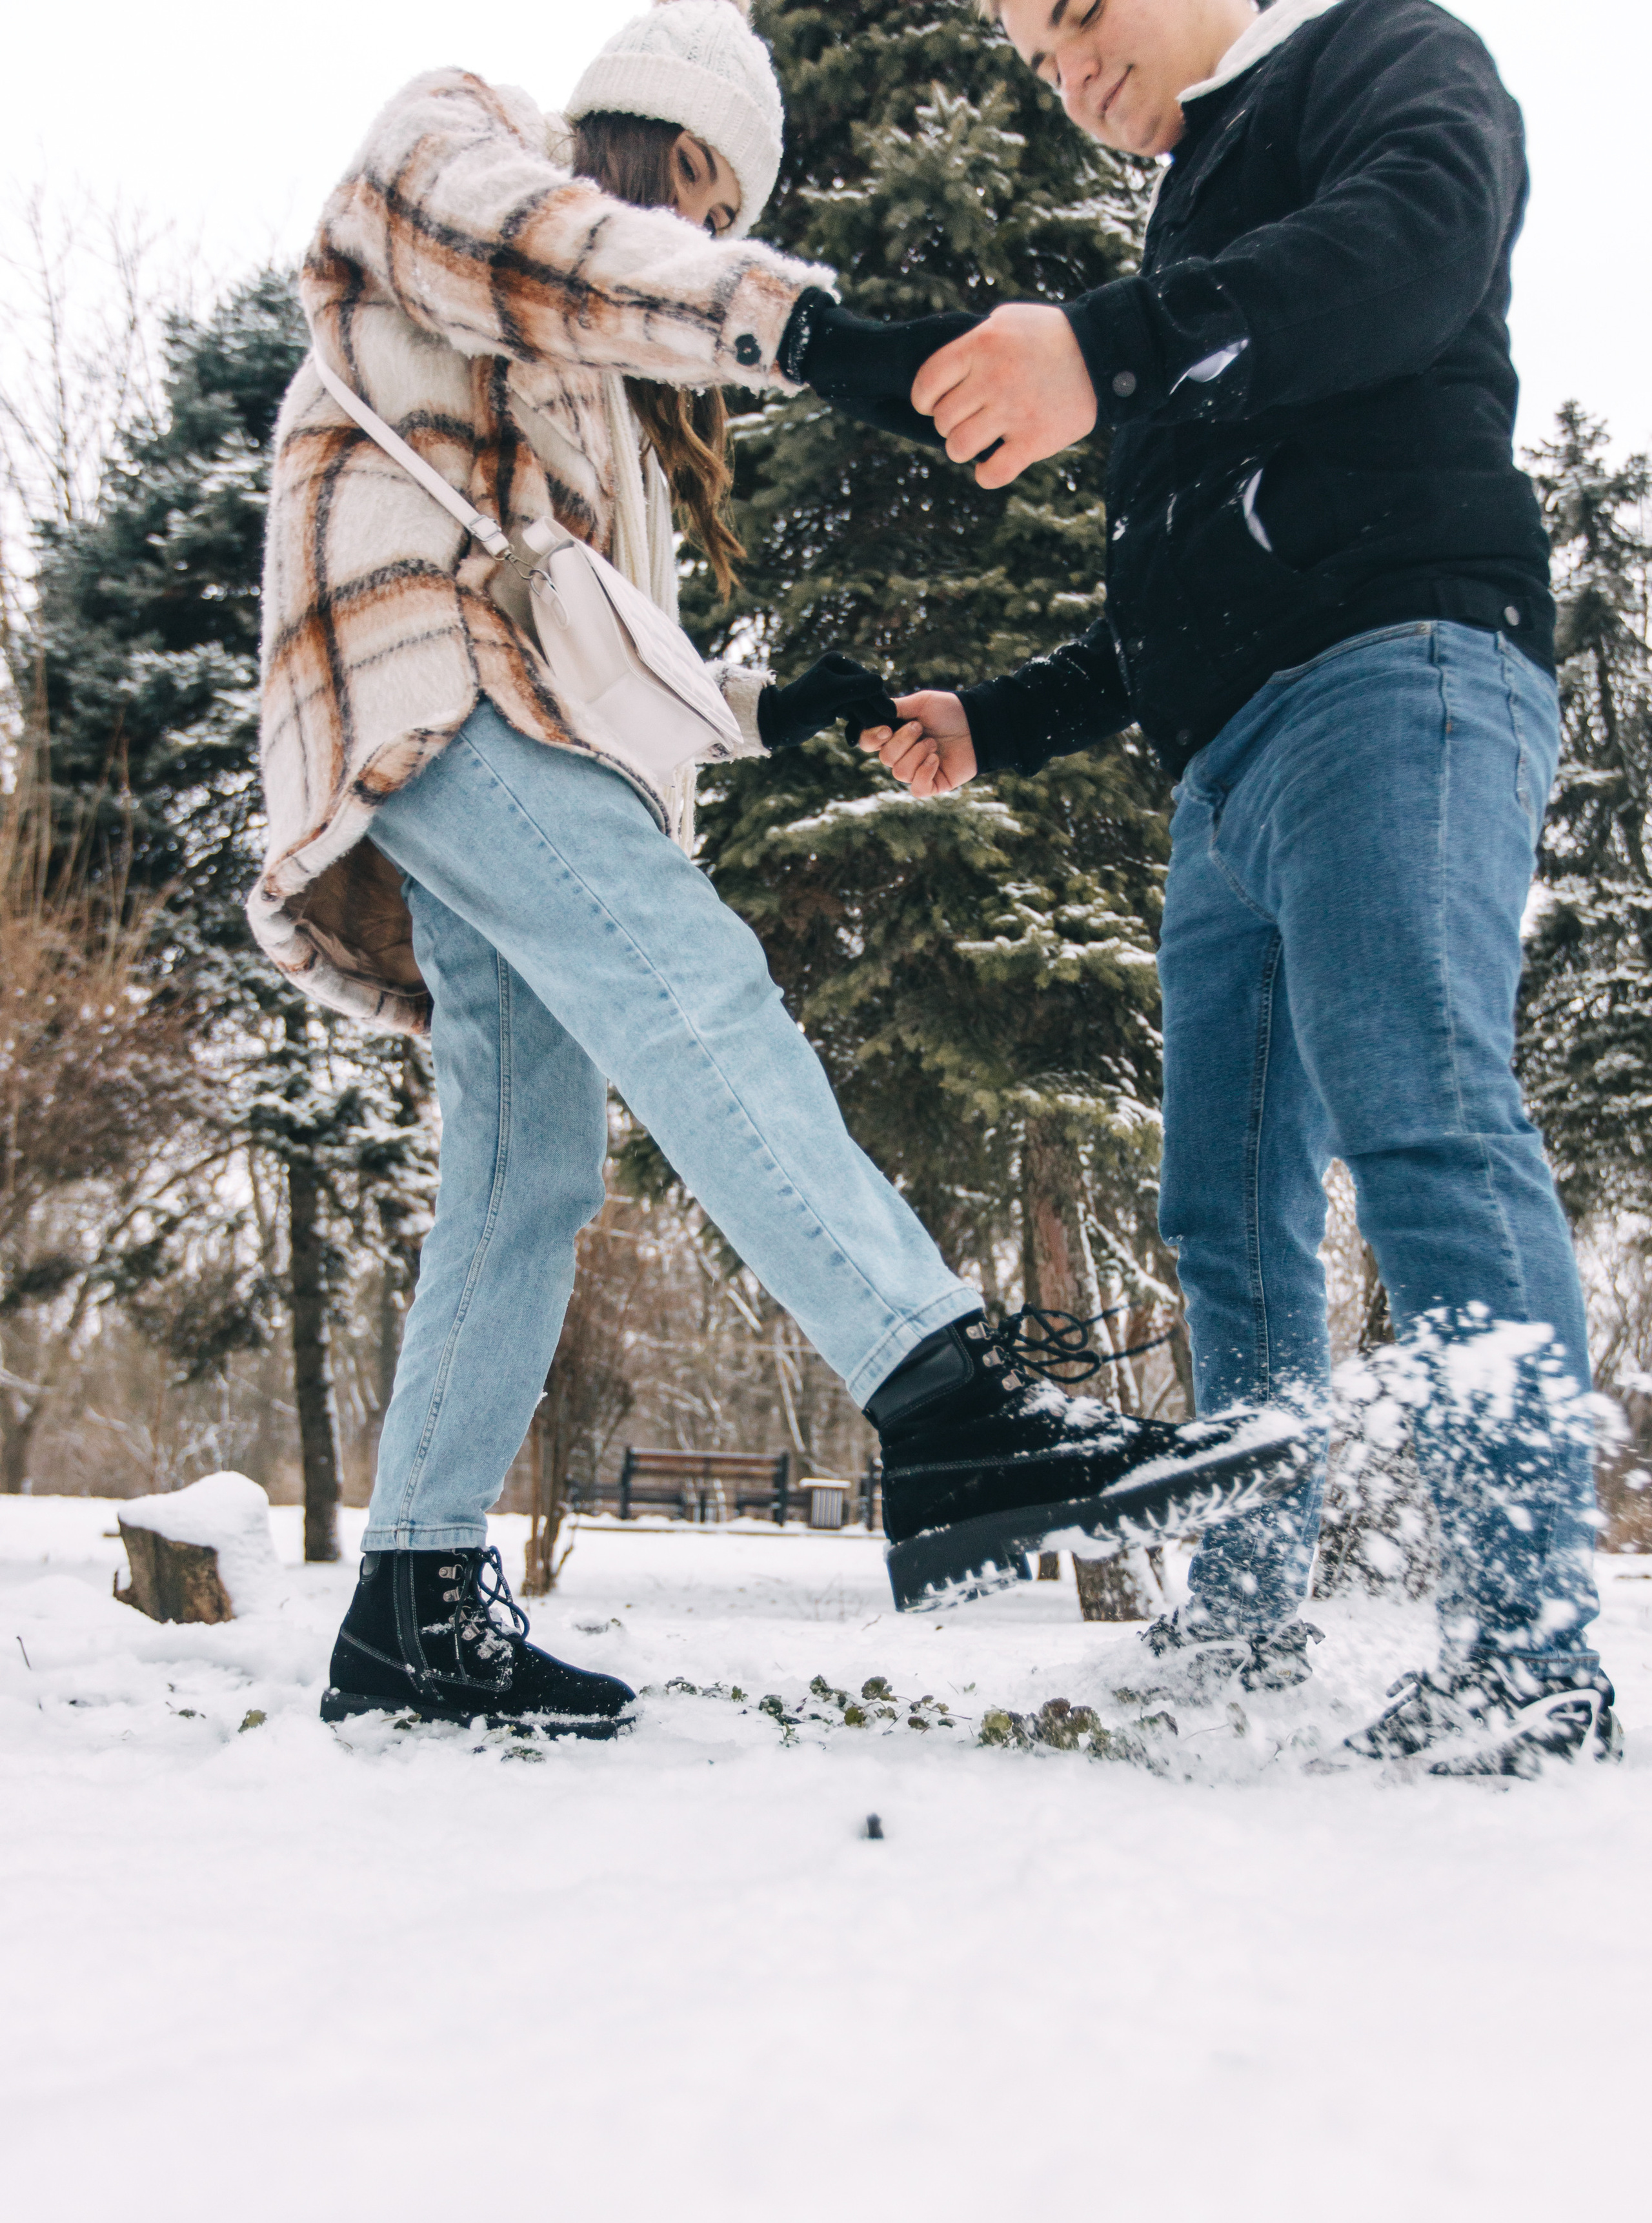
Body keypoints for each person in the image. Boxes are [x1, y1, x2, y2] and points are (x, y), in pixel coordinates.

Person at [253, 1, 1302, 1737]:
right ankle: (950, 1408)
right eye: (704, 189)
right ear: (647, 130)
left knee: (525, 1173)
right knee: (689, 986)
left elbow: (605, 651)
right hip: (423, 678)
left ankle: (414, 1602)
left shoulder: (586, 393)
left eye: (733, 214)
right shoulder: (448, 139)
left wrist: (765, 706)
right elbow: (550, 251)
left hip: (481, 712)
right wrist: (814, 331)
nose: (709, 235)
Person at [787, 0, 1621, 1774]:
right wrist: (996, 726)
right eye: (1029, 51)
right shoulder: (1186, 222)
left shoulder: (1384, 57)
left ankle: (1528, 1653)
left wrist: (1102, 340)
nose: (1062, 66)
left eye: (1078, 11)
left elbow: (1412, 247)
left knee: (1424, 1116)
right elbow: (1188, 573)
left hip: (1400, 679)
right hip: (1229, 769)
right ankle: (1243, 1626)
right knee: (1225, 1208)